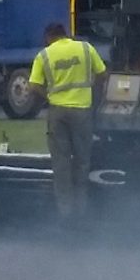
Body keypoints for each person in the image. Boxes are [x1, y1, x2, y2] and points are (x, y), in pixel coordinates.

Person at [32, 21, 106, 220]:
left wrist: (49, 96)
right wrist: (94, 97)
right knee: (82, 162)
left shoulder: (44, 55)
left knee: (61, 163)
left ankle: (65, 213)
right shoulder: (85, 48)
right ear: (66, 34)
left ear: (49, 37)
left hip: (58, 112)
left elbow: (34, 85)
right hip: (82, 110)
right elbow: (102, 74)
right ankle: (81, 211)